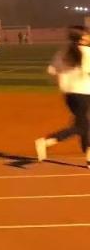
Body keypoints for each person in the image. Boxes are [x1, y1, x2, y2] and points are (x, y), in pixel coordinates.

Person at [35, 26, 90, 168]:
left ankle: (89, 158)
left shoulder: (63, 52)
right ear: (81, 38)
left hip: (69, 96)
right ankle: (47, 141)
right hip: (85, 94)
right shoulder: (87, 52)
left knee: (85, 124)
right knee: (82, 126)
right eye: (87, 34)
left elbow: (51, 71)